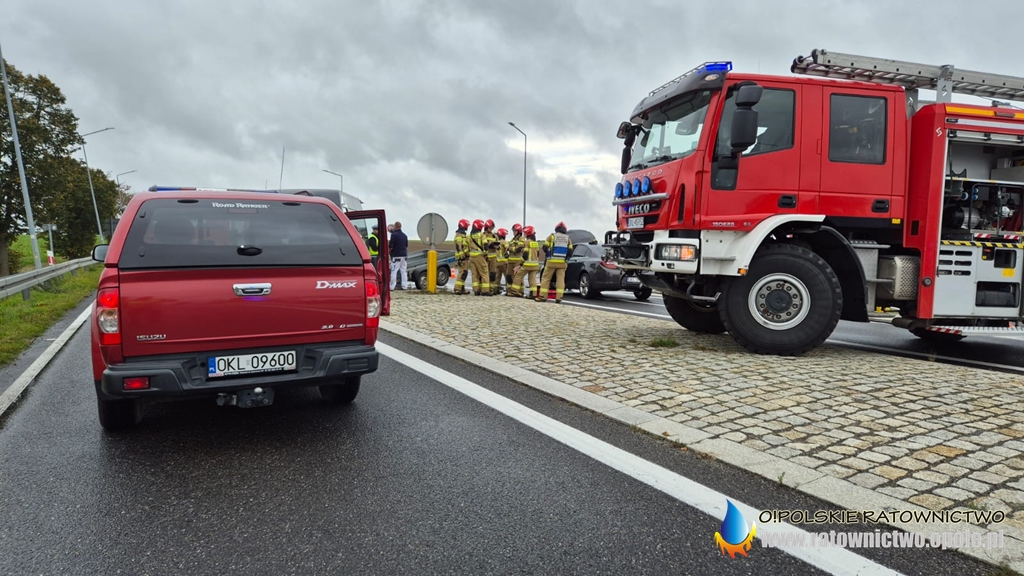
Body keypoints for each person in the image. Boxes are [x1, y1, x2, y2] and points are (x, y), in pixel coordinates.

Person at [536, 221, 572, 303]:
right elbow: (570, 251)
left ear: (556, 229)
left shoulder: (551, 236)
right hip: (562, 263)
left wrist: (548, 253)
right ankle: (559, 297)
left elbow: (545, 248)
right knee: (560, 280)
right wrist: (566, 259)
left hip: (551, 262)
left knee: (546, 278)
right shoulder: (568, 239)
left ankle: (542, 296)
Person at [510, 225, 540, 297]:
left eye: (525, 233)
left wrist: (520, 264)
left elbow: (525, 254)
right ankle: (533, 294)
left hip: (527, 264)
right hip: (535, 265)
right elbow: (538, 254)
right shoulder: (536, 243)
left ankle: (513, 291)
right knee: (532, 279)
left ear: (528, 233)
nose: (524, 234)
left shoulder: (527, 242)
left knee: (518, 276)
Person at [468, 219, 490, 295]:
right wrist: (486, 253)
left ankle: (476, 290)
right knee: (484, 273)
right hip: (479, 257)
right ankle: (485, 291)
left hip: (471, 257)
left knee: (474, 275)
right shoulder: (482, 235)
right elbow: (485, 245)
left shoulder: (469, 236)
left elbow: (465, 247)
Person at [389, 221, 409, 290]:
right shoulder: (405, 235)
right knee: (403, 271)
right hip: (404, 255)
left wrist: (390, 251)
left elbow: (391, 246)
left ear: (395, 226)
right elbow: (406, 246)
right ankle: (404, 286)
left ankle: (392, 286)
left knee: (394, 271)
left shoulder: (393, 235)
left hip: (396, 255)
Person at [504, 224, 524, 291]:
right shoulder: (512, 239)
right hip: (510, 261)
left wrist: (510, 248)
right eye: (513, 231)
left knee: (517, 277)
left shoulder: (521, 239)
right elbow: (507, 246)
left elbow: (518, 249)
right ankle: (509, 290)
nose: (514, 232)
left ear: (519, 231)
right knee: (508, 276)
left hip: (517, 261)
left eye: (515, 231)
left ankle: (520, 291)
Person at [453, 219, 471, 294]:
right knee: (462, 273)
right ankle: (457, 288)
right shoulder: (459, 235)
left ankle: (462, 288)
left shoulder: (463, 235)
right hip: (461, 257)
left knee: (464, 273)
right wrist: (462, 257)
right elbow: (459, 247)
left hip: (464, 257)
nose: (467, 227)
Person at [482, 219, 499, 295]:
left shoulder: (495, 236)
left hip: (493, 258)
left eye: (492, 228)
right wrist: (489, 245)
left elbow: (498, 246)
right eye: (490, 228)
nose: (491, 229)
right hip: (485, 257)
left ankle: (491, 289)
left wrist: (496, 246)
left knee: (493, 274)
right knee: (485, 273)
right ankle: (484, 289)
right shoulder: (483, 235)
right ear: (486, 227)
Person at [493, 228, 508, 295]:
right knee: (507, 277)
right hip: (504, 263)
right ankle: (508, 290)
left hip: (497, 262)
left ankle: (495, 290)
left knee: (497, 277)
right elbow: (507, 248)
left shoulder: (496, 242)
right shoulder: (504, 242)